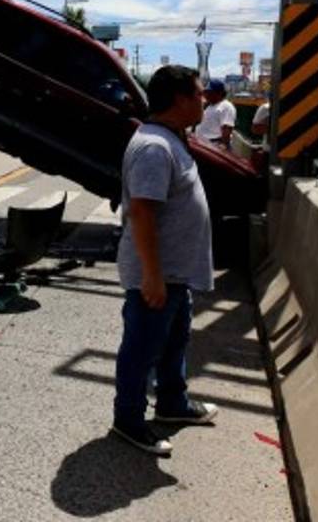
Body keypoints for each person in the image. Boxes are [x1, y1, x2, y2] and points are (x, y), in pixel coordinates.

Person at [112, 65, 219, 456]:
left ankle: (173, 403)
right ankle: (128, 420)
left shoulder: (170, 139)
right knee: (141, 350)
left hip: (175, 272)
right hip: (157, 275)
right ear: (180, 99)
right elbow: (141, 212)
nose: (204, 100)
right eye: (199, 93)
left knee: (174, 342)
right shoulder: (155, 148)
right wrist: (152, 276)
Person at [196, 79, 236, 149]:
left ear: (219, 93)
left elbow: (227, 127)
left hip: (214, 145)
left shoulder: (226, 106)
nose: (206, 95)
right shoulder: (210, 106)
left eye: (209, 92)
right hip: (203, 144)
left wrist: (223, 145)